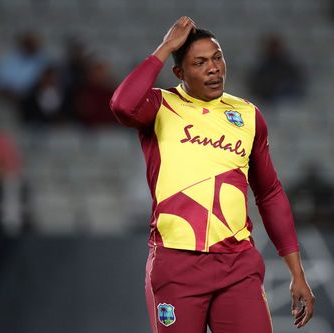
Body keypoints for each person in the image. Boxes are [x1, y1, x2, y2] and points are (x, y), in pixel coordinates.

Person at [110, 17, 314, 333]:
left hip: (237, 266)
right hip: (177, 264)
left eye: (217, 57)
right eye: (200, 62)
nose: (214, 68)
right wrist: (166, 48)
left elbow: (269, 192)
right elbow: (122, 106)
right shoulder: (160, 106)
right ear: (179, 73)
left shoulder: (247, 115)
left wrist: (296, 272)